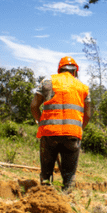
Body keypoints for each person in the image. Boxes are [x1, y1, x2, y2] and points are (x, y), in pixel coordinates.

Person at [31, 56, 91, 191]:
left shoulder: (48, 82)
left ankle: (45, 194)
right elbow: (88, 114)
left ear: (60, 70)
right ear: (75, 71)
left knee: (46, 174)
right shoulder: (83, 87)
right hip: (72, 135)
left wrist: (39, 122)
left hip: (49, 133)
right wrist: (79, 129)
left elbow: (34, 106)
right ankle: (68, 197)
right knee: (69, 176)